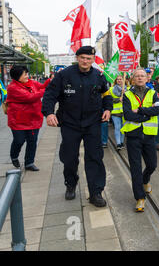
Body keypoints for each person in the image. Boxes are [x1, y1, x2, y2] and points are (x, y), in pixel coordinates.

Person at [42, 46, 113, 207]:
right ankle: (71, 183)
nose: (85, 61)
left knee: (94, 158)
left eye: (89, 58)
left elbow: (106, 95)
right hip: (69, 123)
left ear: (93, 59)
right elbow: (50, 95)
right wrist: (49, 113)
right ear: (77, 58)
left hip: (92, 123)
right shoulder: (64, 75)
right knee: (69, 158)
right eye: (82, 58)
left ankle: (95, 193)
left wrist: (108, 109)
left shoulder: (99, 76)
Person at [121, 68, 159, 212]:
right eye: (137, 76)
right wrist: (147, 114)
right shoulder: (127, 95)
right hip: (133, 136)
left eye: (142, 76)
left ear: (147, 78)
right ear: (132, 79)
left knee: (152, 165)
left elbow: (158, 110)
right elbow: (127, 115)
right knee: (135, 168)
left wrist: (140, 110)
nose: (139, 78)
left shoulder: (153, 93)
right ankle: (140, 198)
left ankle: (145, 180)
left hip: (149, 136)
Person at [6, 65, 51, 171]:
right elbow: (30, 97)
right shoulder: (13, 88)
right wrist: (46, 91)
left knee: (32, 141)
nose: (27, 75)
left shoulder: (31, 82)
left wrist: (50, 80)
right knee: (19, 140)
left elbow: (41, 86)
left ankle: (29, 162)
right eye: (24, 74)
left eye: (27, 73)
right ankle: (14, 156)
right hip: (18, 120)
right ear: (17, 76)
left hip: (33, 118)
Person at [110, 75, 126, 150]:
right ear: (115, 81)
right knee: (117, 127)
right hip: (115, 112)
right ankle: (118, 143)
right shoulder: (112, 89)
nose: (119, 80)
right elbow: (109, 100)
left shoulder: (127, 89)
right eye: (118, 79)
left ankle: (122, 142)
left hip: (124, 112)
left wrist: (125, 94)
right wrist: (118, 100)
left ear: (123, 80)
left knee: (123, 128)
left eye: (120, 79)